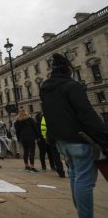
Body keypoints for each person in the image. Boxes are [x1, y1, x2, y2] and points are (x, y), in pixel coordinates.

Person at [40, 53, 108, 218]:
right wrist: (104, 138)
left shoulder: (45, 89)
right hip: (80, 139)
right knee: (85, 181)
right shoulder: (72, 86)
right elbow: (86, 113)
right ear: (68, 70)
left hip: (61, 141)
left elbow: (49, 115)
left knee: (75, 176)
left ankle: (82, 213)